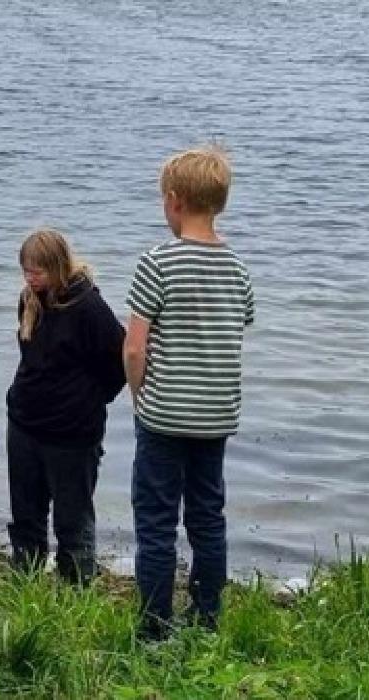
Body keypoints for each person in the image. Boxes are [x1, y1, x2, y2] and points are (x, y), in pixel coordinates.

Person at [123, 145, 256, 642]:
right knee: (207, 517)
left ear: (174, 201)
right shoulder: (237, 267)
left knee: (156, 521)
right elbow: (237, 328)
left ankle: (155, 630)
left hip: (162, 414)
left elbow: (135, 348)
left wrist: (141, 397)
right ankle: (206, 620)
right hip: (216, 414)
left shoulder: (157, 262)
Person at [4, 227, 126, 585]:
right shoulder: (30, 299)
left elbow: (118, 360)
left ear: (58, 266)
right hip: (25, 420)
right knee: (26, 513)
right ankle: (23, 580)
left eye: (38, 271)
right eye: (26, 270)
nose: (31, 278)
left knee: (72, 519)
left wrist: (90, 399)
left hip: (72, 431)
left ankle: (76, 586)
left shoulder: (88, 306)